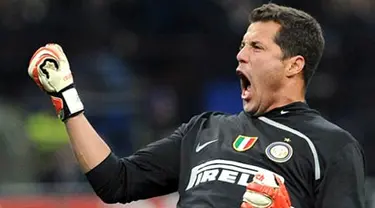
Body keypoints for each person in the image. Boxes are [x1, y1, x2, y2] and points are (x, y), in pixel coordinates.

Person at [27, 3, 365, 208]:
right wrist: (67, 98)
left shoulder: (331, 146)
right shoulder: (204, 130)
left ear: (294, 65)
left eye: (257, 48)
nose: (240, 54)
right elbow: (116, 181)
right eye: (242, 45)